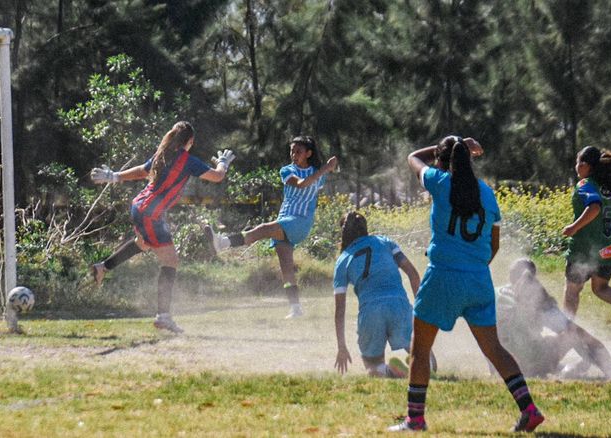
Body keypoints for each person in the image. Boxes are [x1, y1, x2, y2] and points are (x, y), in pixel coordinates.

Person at [389, 136, 544, 433]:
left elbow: (411, 158)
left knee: (419, 351)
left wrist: (443, 146)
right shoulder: (487, 194)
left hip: (442, 278)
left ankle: (415, 420)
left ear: (440, 161)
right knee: (494, 349)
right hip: (478, 280)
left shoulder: (439, 181)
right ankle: (530, 409)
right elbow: (494, 246)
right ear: (470, 161)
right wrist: (473, 268)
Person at [89, 121, 234, 333]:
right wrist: (223, 163)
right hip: (151, 214)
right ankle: (163, 316)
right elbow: (217, 176)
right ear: (190, 142)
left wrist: (115, 176)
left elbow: (141, 171)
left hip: (139, 207)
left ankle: (103, 267)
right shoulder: (187, 161)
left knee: (142, 243)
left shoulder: (163, 153)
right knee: (171, 261)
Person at [205, 136, 338, 319]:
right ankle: (295, 308)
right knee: (286, 268)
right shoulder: (287, 171)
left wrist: (331, 166)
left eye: (298, 151)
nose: (293, 154)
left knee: (261, 229)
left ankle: (222, 242)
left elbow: (329, 172)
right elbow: (301, 184)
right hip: (285, 219)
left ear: (308, 153)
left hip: (300, 222)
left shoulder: (318, 173)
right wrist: (325, 169)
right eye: (292, 150)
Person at [333, 211, 434, 378]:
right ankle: (423, 364)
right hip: (399, 306)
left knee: (373, 369)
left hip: (371, 312)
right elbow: (413, 274)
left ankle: (387, 371)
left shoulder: (343, 260)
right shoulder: (385, 242)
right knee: (425, 359)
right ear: (366, 229)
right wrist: (421, 313)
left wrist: (342, 346)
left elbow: (339, 310)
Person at [496, 258, 611, 379]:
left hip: (502, 364)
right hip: (528, 366)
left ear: (510, 276)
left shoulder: (495, 293)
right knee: (573, 334)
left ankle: (570, 367)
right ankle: (610, 370)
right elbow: (576, 332)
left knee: (543, 341)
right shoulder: (539, 300)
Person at [562, 146, 611, 332]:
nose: (576, 167)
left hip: (585, 249)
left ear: (586, 165)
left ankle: (566, 329)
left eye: (578, 162)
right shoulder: (608, 188)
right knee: (600, 287)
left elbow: (594, 208)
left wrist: (573, 227)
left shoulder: (586, 184)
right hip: (609, 248)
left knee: (573, 289)